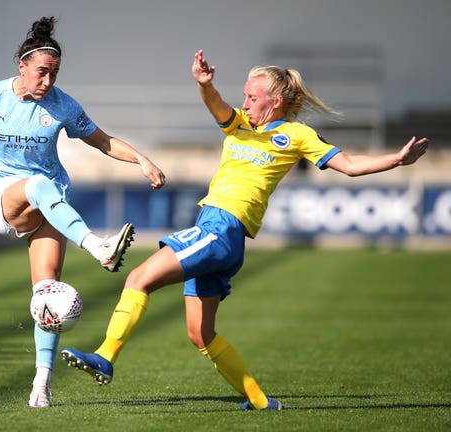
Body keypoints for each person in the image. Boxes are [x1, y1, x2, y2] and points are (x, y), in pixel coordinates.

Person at [61, 49, 429, 411]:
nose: (246, 103)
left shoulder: (297, 135)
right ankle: (261, 400)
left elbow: (348, 164)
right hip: (221, 236)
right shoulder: (238, 123)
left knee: (138, 278)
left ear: (278, 100)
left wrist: (396, 159)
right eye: (244, 96)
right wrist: (204, 84)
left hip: (222, 228)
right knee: (200, 334)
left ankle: (105, 356)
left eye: (252, 97)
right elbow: (216, 103)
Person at [0, 17, 165, 409]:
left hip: (50, 208)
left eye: (54, 73)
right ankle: (97, 247)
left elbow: (102, 140)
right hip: (5, 200)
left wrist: (142, 160)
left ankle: (41, 383)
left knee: (49, 296)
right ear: (21, 67)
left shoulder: (62, 105)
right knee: (39, 184)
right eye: (42, 72)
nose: (48, 81)